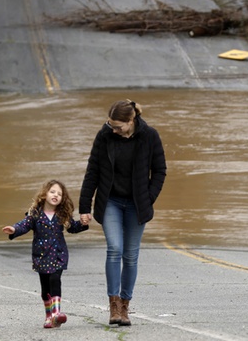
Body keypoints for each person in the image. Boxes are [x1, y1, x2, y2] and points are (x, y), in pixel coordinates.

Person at [79, 99, 167, 327]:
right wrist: (84, 207)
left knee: (130, 255)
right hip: (111, 202)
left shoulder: (150, 136)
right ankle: (114, 305)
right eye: (111, 125)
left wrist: (148, 198)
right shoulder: (104, 136)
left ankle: (126, 305)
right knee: (114, 249)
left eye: (118, 126)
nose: (114, 130)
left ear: (131, 121)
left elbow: (159, 171)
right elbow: (92, 171)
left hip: (138, 204)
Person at [3, 180, 89, 329]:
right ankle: (49, 317)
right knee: (45, 289)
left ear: (63, 198)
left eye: (59, 194)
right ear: (44, 194)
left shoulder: (62, 215)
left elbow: (72, 228)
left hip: (58, 254)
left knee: (55, 279)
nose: (56, 195)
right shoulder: (35, 213)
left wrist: (83, 223)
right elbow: (24, 224)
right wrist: (14, 229)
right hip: (41, 255)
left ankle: (56, 314)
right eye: (52, 192)